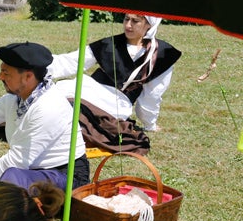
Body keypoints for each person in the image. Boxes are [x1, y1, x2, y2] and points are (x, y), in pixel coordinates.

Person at [0, 42, 89, 190]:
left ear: (28, 77)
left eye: (6, 73)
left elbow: (16, 161)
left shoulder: (48, 107)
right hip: (32, 171)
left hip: (65, 176)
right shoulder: (14, 99)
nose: (0, 77)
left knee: (11, 178)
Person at [49, 13, 181, 132]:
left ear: (149, 24)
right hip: (88, 89)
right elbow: (72, 61)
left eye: (135, 21)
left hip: (115, 104)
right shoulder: (110, 44)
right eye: (126, 19)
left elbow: (152, 95)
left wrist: (149, 124)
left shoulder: (161, 54)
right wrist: (39, 66)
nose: (128, 25)